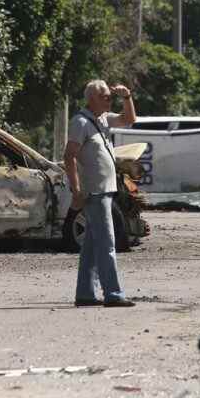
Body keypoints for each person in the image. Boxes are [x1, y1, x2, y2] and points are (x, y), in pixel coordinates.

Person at [63, 80, 137, 307]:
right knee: (107, 244)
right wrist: (76, 189)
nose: (109, 99)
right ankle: (113, 294)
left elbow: (129, 120)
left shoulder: (103, 119)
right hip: (94, 192)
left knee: (92, 246)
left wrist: (127, 98)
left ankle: (85, 294)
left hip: (105, 190)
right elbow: (69, 156)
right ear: (92, 98)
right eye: (105, 96)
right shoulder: (81, 122)